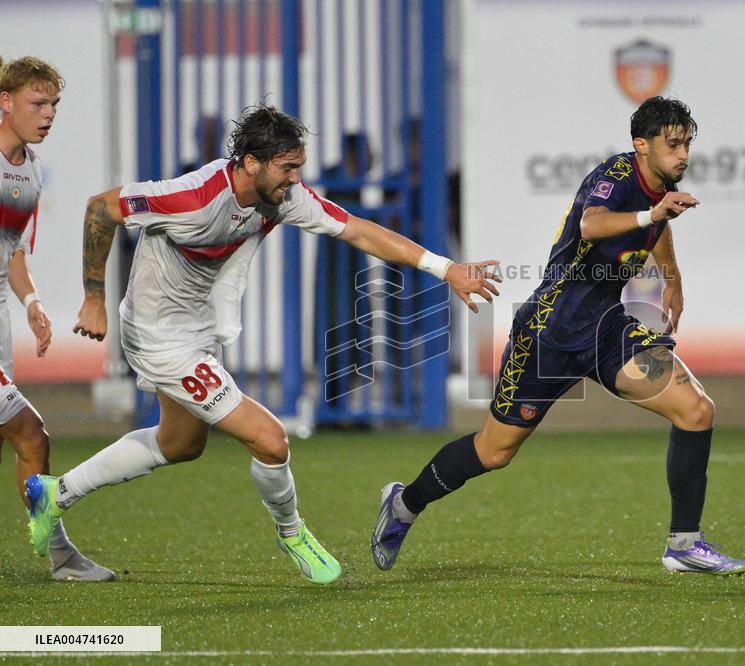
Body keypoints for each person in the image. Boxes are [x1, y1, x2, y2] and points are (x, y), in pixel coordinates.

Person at [25, 103, 501, 585]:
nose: (295, 179)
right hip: (159, 337)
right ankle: (292, 533)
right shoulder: (193, 196)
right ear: (251, 161)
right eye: (287, 167)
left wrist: (446, 269)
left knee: (180, 443)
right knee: (271, 440)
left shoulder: (283, 196)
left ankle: (55, 493)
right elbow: (100, 208)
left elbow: (358, 230)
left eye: (298, 168)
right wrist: (92, 298)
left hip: (196, 329)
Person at [372, 96, 745, 576]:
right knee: (494, 451)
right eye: (672, 144)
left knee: (696, 410)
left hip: (608, 331)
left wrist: (671, 276)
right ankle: (404, 504)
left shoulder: (658, 188)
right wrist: (654, 217)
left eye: (687, 144)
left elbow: (659, 220)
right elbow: (593, 225)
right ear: (641, 146)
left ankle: (685, 545)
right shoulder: (614, 177)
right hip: (549, 332)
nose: (683, 154)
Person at [0, 56, 115, 582]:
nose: (48, 115)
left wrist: (33, 303)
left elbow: (12, 251)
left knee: (26, 437)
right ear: (5, 103)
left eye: (54, 106)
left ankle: (59, 555)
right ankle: (61, 555)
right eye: (37, 104)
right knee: (31, 435)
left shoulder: (32, 170)